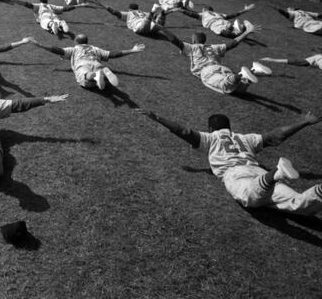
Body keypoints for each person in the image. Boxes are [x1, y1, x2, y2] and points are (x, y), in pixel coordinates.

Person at [133, 108, 322, 216]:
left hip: (236, 174)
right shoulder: (246, 138)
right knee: (300, 205)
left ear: (210, 127)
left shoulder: (211, 138)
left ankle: (276, 173)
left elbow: (184, 132)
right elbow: (276, 135)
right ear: (229, 127)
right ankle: (317, 189)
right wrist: (304, 121)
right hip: (257, 171)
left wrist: (157, 117)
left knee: (250, 199)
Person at [158, 25, 271, 95]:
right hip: (222, 69)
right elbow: (232, 44)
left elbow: (174, 40)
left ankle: (241, 74)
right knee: (239, 90)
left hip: (207, 72)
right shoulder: (214, 47)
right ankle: (253, 70)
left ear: (193, 40)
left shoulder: (192, 47)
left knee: (224, 86)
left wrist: (163, 29)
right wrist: (246, 32)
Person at [29, 35, 145, 90]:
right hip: (95, 62)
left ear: (76, 42)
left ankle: (95, 76)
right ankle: (101, 71)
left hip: (82, 64)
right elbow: (113, 54)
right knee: (97, 70)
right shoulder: (95, 49)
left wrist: (39, 45)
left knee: (86, 80)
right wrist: (132, 50)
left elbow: (57, 50)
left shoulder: (74, 49)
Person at [11, 0, 87, 38]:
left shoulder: (37, 6)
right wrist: (79, 5)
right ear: (47, 0)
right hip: (54, 15)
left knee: (45, 22)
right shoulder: (52, 6)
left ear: (40, 0)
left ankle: (52, 24)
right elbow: (66, 9)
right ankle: (60, 23)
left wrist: (15, 0)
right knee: (56, 20)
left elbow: (26, 4)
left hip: (44, 16)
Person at [176, 4, 258, 38]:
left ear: (205, 9)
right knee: (232, 31)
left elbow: (191, 14)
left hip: (215, 25)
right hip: (223, 21)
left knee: (228, 33)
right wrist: (244, 10)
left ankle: (239, 28)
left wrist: (181, 10)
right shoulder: (218, 13)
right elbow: (232, 15)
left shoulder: (203, 14)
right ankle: (240, 27)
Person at [91, 0, 164, 36]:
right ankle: (160, 14)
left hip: (139, 26)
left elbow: (114, 12)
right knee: (154, 24)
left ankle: (154, 11)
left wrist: (102, 5)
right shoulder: (144, 12)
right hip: (149, 24)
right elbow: (155, 16)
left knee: (144, 26)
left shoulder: (129, 13)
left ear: (130, 9)